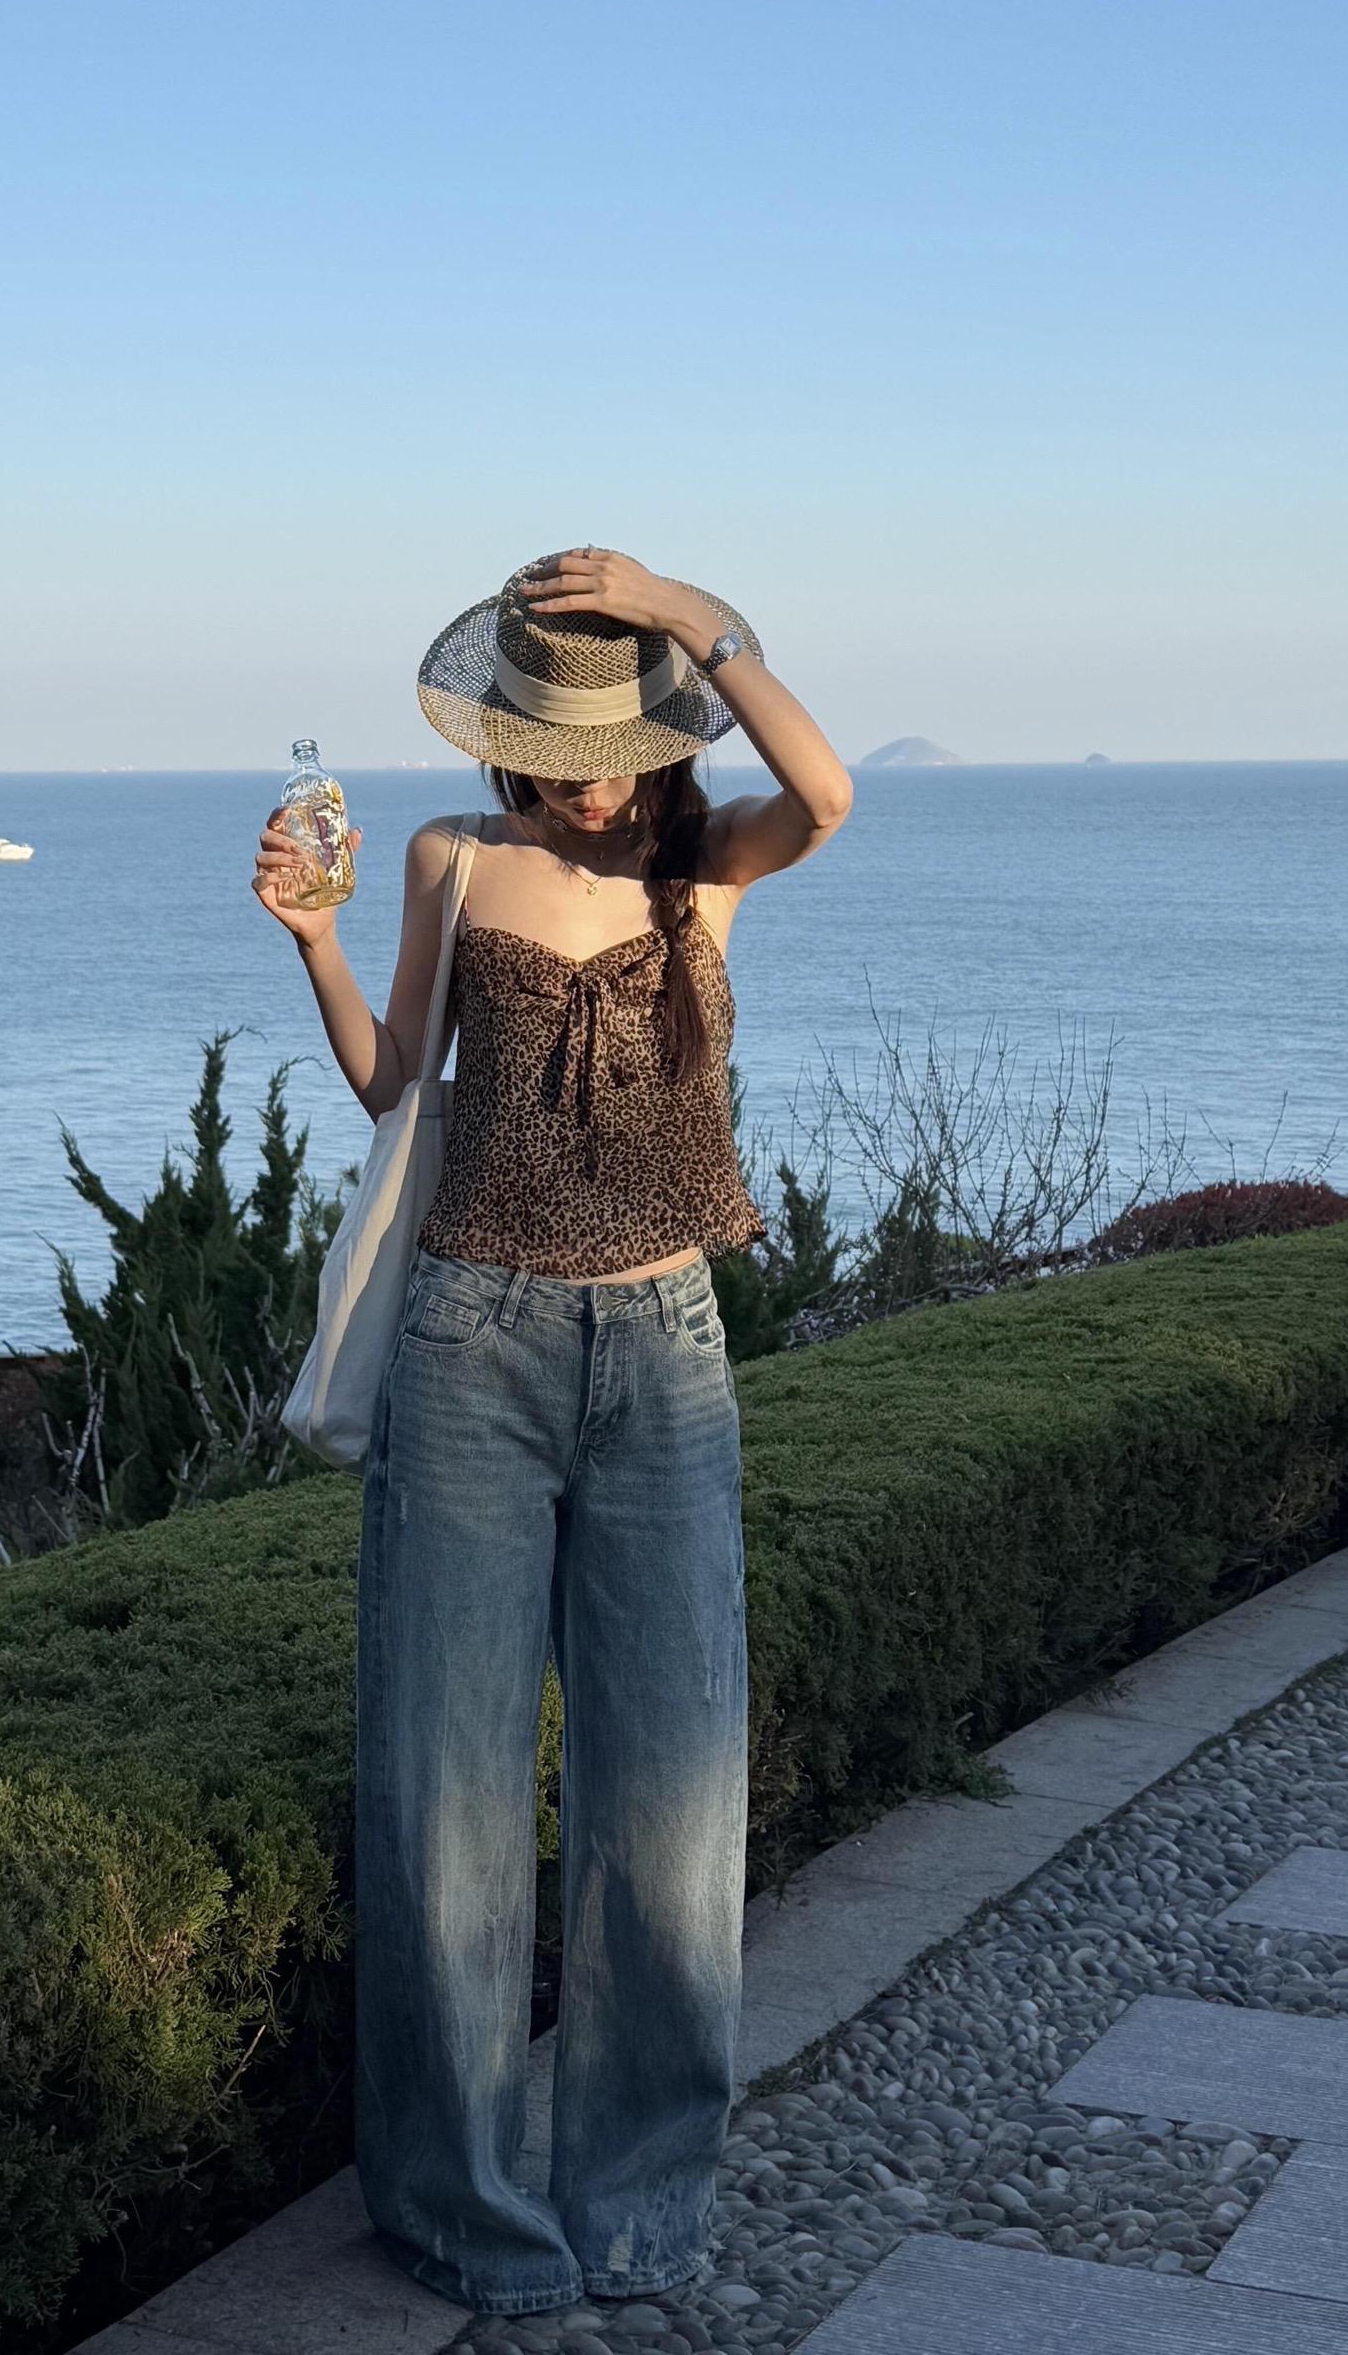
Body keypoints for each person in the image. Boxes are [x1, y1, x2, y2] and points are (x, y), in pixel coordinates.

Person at [251, 544, 854, 2319]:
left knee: (672, 1794)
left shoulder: (706, 861)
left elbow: (827, 792)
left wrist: (693, 613)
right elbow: (395, 1084)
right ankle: (457, 2207)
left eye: (614, 749)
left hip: (668, 1351)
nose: (587, 786)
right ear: (508, 738)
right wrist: (313, 941)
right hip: (472, 1344)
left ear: (657, 733)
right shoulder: (454, 856)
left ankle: (642, 2200)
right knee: (444, 1790)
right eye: (556, 751)